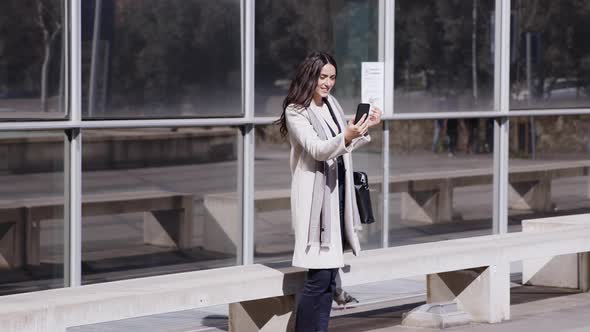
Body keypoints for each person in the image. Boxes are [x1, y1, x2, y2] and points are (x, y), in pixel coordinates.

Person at [275, 51, 381, 332]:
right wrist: (346, 136)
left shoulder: (332, 104)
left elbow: (340, 147)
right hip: (315, 204)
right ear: (310, 75)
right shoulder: (296, 110)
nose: (328, 83)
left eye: (332, 77)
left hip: (338, 197)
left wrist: (363, 128)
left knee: (330, 279)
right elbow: (319, 150)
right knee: (319, 279)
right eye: (323, 76)